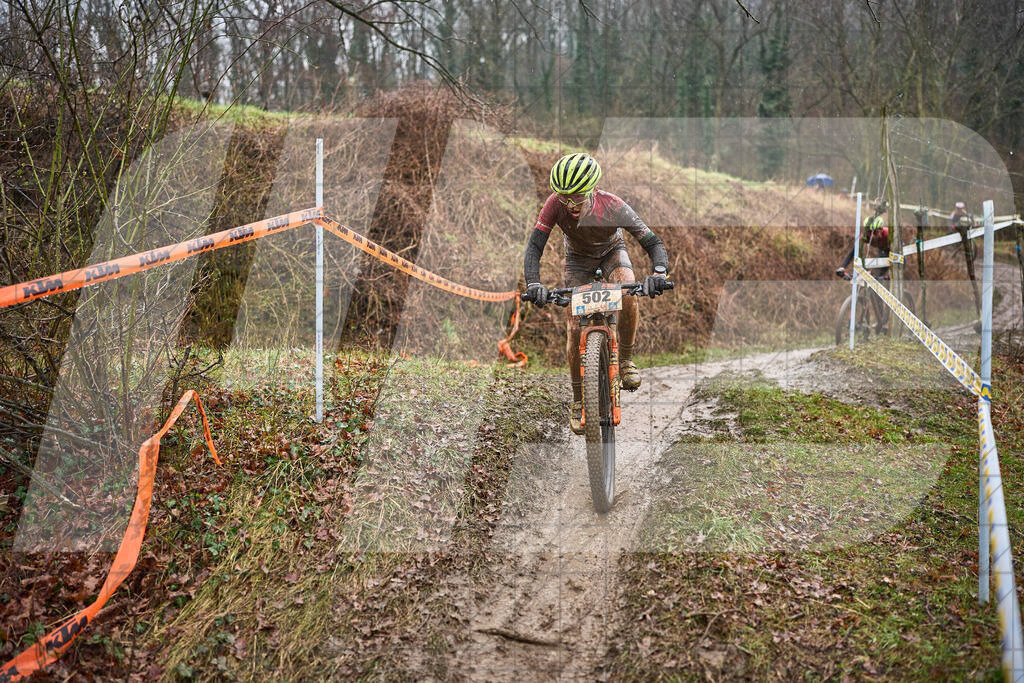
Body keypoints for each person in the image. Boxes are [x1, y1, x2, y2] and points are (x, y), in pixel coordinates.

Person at [522, 153, 671, 434]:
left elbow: (652, 242)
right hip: (577, 260)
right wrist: (533, 284)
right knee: (572, 326)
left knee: (628, 289)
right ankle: (579, 399)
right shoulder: (554, 204)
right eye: (565, 197)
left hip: (612, 252)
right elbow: (534, 247)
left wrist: (659, 274)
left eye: (577, 197)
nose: (570, 204)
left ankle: (625, 360)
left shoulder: (612, 204)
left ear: (592, 190)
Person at [835, 199, 889, 278]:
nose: (872, 236)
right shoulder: (865, 236)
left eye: (875, 233)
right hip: (882, 252)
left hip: (890, 251)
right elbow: (853, 252)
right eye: (870, 232)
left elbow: (901, 255)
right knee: (875, 273)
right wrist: (842, 267)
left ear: (880, 230)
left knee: (883, 272)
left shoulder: (887, 234)